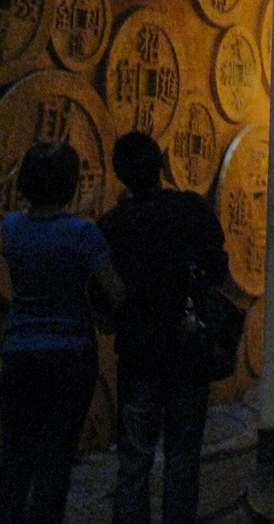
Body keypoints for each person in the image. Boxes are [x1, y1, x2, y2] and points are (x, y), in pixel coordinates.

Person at [98, 131, 228, 524]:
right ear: (161, 164)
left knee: (134, 457)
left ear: (119, 173)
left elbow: (103, 297)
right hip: (187, 349)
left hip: (138, 352)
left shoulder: (112, 225)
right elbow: (217, 270)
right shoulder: (190, 210)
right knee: (183, 456)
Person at [0, 140, 124, 524]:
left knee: (16, 455)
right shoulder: (82, 233)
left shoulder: (10, 227)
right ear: (71, 184)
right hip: (71, 353)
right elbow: (116, 293)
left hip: (20, 349)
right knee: (56, 457)